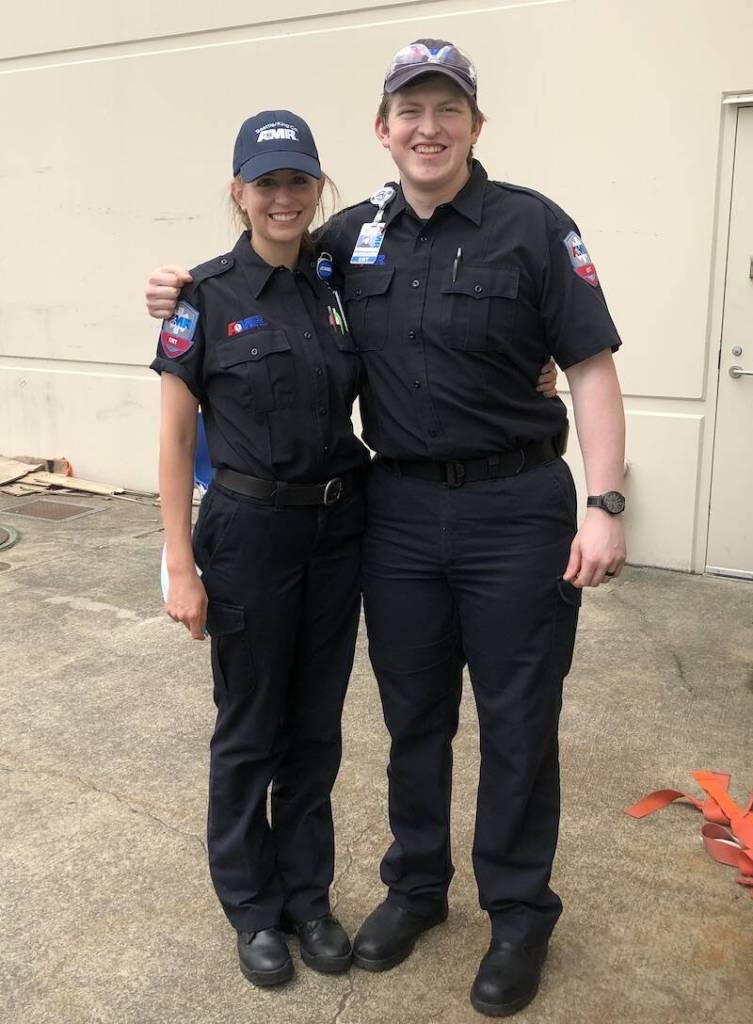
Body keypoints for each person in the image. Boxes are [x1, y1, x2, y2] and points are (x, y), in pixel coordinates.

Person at [146, 39, 625, 1017]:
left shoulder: (534, 228)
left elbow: (590, 365)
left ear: (474, 127)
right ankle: (415, 890)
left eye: (448, 109)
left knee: (517, 721)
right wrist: (172, 293)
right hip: (395, 513)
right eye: (411, 109)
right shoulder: (349, 239)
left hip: (512, 508)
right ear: (382, 129)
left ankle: (519, 912)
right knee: (412, 718)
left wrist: (604, 499)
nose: (429, 127)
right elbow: (253, 273)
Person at [152, 109, 372, 988]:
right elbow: (172, 442)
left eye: (298, 180)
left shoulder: (339, 287)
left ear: (318, 189)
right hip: (247, 536)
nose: (283, 197)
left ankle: (307, 898)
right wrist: (180, 564)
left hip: (337, 530)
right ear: (238, 193)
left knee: (316, 728)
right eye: (265, 182)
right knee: (250, 729)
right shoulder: (202, 297)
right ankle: (252, 911)